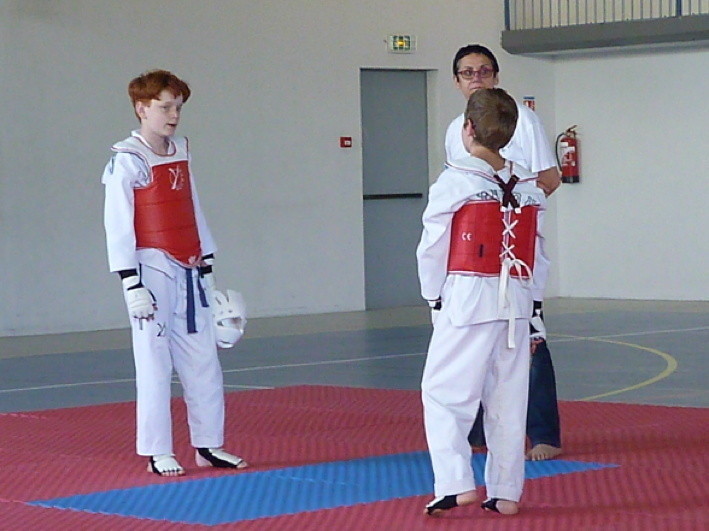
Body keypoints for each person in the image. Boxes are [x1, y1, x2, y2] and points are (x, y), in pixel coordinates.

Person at [102, 69, 248, 477]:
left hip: (190, 267)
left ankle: (209, 444)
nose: (173, 115)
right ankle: (157, 450)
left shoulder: (181, 150)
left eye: (178, 107)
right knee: (154, 363)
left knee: (204, 361)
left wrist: (208, 265)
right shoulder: (127, 159)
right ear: (141, 108)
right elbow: (118, 225)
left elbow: (191, 206)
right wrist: (131, 282)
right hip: (151, 270)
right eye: (165, 107)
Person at [418, 88, 547, 517]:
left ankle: (454, 483)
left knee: (443, 393)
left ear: (467, 128)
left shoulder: (456, 180)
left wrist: (433, 296)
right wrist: (535, 308)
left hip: (468, 294)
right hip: (517, 300)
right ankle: (506, 492)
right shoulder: (528, 185)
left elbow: (432, 246)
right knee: (508, 398)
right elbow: (538, 252)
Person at [446, 44, 562, 461]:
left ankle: (543, 433)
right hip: (473, 253)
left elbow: (550, 177)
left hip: (515, 249)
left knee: (528, 336)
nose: (476, 78)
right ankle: (476, 431)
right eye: (468, 72)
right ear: (457, 81)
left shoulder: (522, 119)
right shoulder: (455, 129)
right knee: (474, 341)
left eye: (484, 71)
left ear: (496, 76)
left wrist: (518, 204)